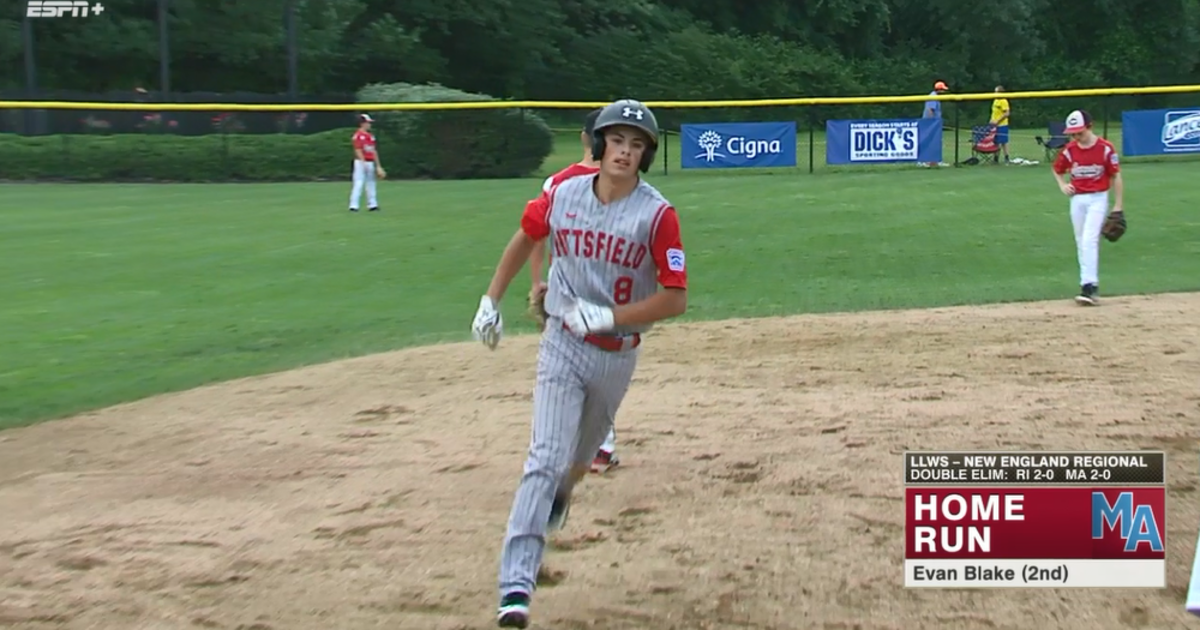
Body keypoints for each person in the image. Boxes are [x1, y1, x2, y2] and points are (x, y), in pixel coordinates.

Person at [470, 98, 689, 628]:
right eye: (617, 140)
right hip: (562, 343)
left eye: (636, 145)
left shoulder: (657, 215)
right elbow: (528, 234)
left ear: (646, 156)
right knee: (543, 456)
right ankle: (515, 587)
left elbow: (675, 297)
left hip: (617, 356)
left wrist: (610, 316)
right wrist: (491, 299)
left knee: (577, 462)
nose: (625, 152)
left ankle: (565, 492)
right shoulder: (564, 193)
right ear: (598, 144)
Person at [526, 108, 621, 475]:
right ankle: (597, 446)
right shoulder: (623, 181)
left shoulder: (556, 183)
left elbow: (535, 232)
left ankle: (590, 445)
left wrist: (537, 281)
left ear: (584, 138)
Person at [1051, 110, 1123, 306]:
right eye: (1073, 134)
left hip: (1098, 198)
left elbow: (1116, 175)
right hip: (1078, 200)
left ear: (1090, 127)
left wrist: (1117, 206)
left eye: (1079, 132)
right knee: (1081, 241)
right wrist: (1062, 185)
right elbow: (1056, 169)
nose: (1076, 137)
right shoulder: (1069, 150)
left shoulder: (1105, 148)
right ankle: (1089, 285)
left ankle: (1089, 286)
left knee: (1090, 239)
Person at [349, 114, 385, 212]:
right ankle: (353, 205)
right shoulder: (358, 135)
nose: (369, 124)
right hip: (360, 162)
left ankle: (372, 205)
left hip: (370, 161)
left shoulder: (370, 136)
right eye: (368, 122)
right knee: (359, 183)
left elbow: (374, 151)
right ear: (362, 123)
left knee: (371, 183)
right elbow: (358, 150)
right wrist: (363, 162)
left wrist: (378, 166)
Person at [922, 81, 949, 167]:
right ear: (939, 90)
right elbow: (930, 110)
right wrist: (932, 124)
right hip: (931, 124)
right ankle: (926, 161)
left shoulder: (934, 96)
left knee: (935, 142)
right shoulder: (933, 97)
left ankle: (935, 161)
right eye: (943, 90)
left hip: (933, 123)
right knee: (930, 142)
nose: (944, 92)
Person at [990, 86, 1011, 163]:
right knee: (995, 142)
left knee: (1003, 142)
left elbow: (1007, 113)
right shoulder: (995, 100)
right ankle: (996, 158)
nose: (994, 93)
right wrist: (991, 120)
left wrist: (997, 121)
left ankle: (1006, 157)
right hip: (994, 125)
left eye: (996, 91)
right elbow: (994, 112)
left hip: (1002, 125)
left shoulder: (1003, 101)